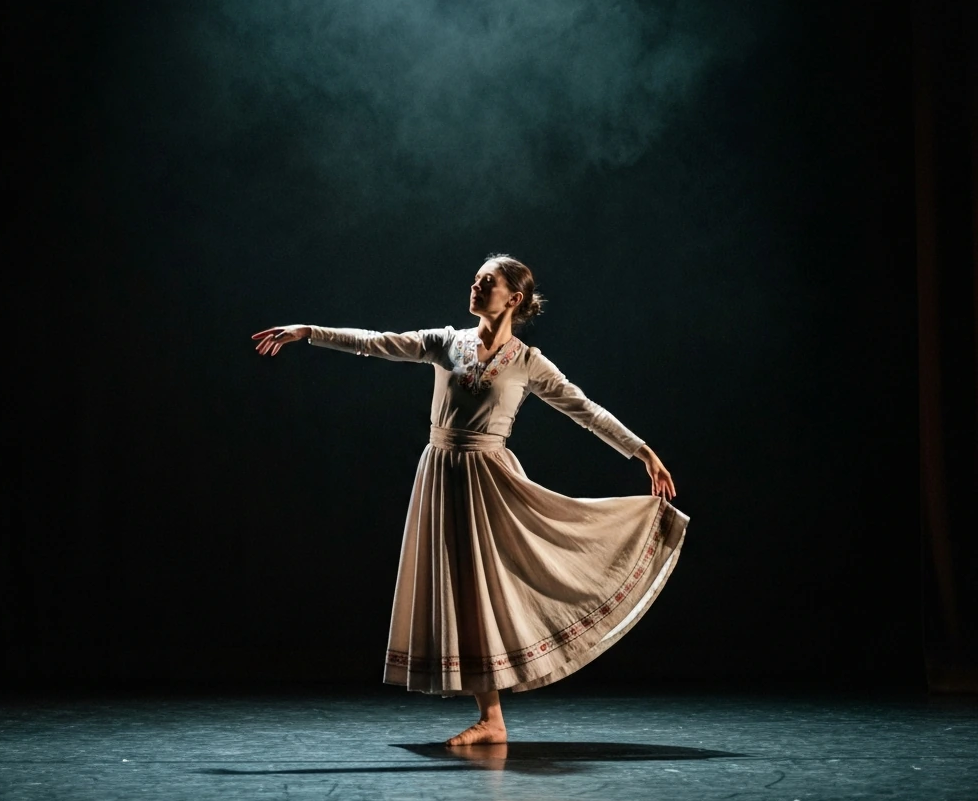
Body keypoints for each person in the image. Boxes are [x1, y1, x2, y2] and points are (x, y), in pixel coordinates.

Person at [252, 254, 689, 747]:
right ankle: (492, 717)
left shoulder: (528, 362)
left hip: (490, 480)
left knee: (489, 588)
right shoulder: (447, 343)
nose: (476, 287)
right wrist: (309, 330)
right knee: (458, 588)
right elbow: (376, 344)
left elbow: (583, 409)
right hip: (440, 473)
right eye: (477, 280)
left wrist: (642, 451)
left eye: (488, 282)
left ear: (513, 298)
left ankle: (493, 715)